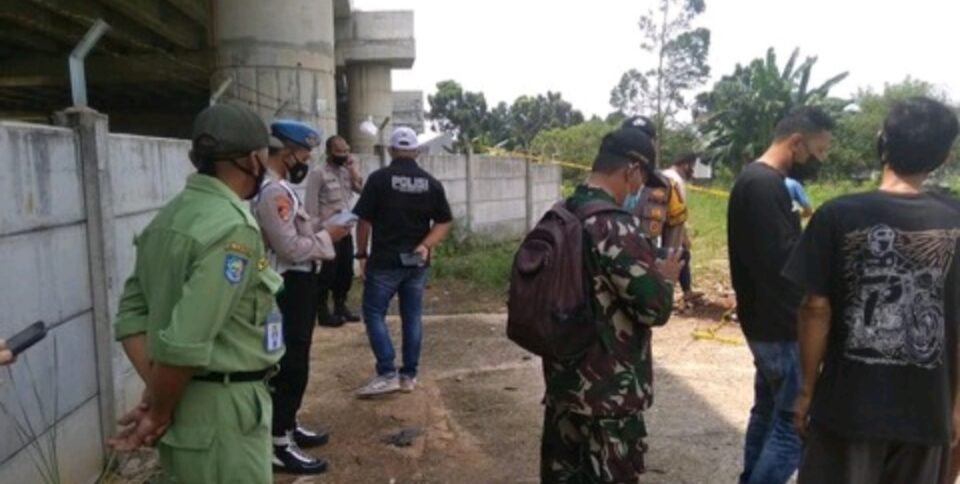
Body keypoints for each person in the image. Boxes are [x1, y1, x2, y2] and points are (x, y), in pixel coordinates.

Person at [784, 97, 960, 484]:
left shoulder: (836, 215)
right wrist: (956, 406)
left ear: (883, 142)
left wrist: (807, 390)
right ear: (943, 156)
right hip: (926, 412)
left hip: (846, 409)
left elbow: (815, 308)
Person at [109, 103, 283, 483]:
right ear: (254, 159)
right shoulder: (234, 228)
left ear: (195, 159)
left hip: (184, 401)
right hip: (222, 409)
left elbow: (131, 318)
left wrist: (159, 397)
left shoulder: (167, 218)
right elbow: (187, 339)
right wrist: (158, 409)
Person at [540, 122, 682, 482]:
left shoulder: (560, 212)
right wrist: (665, 277)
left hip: (563, 386)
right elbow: (654, 309)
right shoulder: (615, 227)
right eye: (642, 178)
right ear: (632, 170)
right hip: (609, 396)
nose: (640, 188)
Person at [727, 106, 835, 484]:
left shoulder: (756, 180)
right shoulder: (764, 185)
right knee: (792, 428)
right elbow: (785, 265)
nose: (819, 160)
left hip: (764, 322)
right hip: (782, 326)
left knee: (767, 412)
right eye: (817, 151)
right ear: (796, 142)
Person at [253, 120, 350, 474]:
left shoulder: (280, 189)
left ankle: (288, 424)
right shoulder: (273, 193)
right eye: (304, 155)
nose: (306, 162)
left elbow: (295, 236)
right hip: (286, 287)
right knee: (287, 363)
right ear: (288, 153)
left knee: (296, 359)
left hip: (297, 284)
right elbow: (290, 248)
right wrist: (328, 237)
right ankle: (278, 442)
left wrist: (325, 228)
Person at [352, 127, 452, 398]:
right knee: (412, 316)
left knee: (374, 313)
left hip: (385, 260)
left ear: (390, 150)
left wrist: (361, 254)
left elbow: (364, 221)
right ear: (416, 151)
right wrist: (425, 245)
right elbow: (443, 222)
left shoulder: (378, 180)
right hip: (417, 261)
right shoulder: (431, 183)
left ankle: (387, 373)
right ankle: (408, 376)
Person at [305, 135, 365, 327]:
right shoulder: (318, 173)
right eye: (339, 152)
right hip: (327, 232)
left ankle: (341, 306)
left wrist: (353, 171)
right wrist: (316, 232)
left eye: (346, 151)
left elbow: (361, 190)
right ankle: (322, 311)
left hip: (345, 229)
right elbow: (311, 207)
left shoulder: (346, 172)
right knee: (327, 273)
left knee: (345, 271)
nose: (343, 155)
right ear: (329, 152)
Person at [662, 152, 704, 303]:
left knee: (683, 254)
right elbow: (678, 212)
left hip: (658, 224)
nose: (692, 170)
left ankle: (687, 291)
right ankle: (665, 297)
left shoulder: (663, 175)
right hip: (671, 226)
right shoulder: (676, 181)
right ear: (686, 165)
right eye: (692, 166)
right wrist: (684, 236)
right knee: (674, 256)